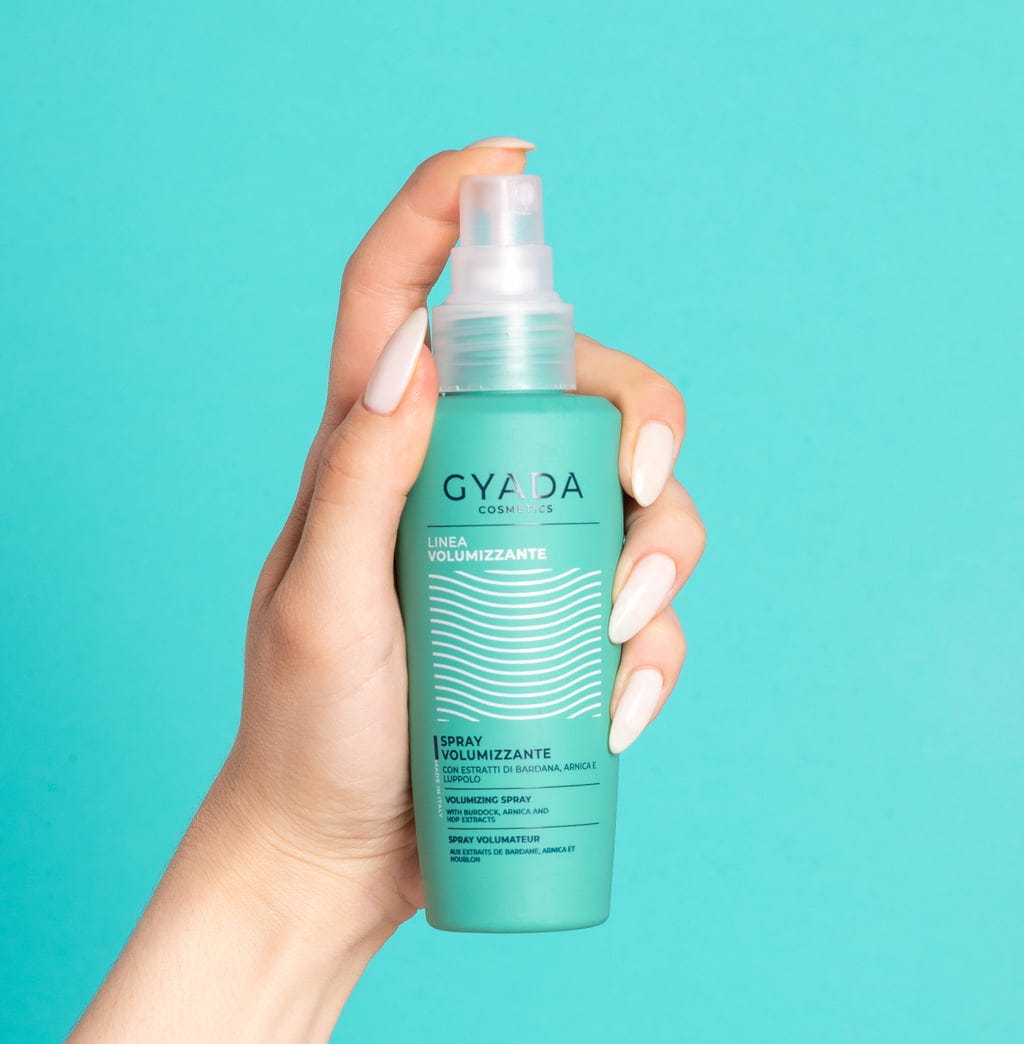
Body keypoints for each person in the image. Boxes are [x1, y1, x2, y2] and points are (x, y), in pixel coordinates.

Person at [69, 140, 706, 1042]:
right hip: (447, 788)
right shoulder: (429, 427)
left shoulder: (574, 426)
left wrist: (306, 865)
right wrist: (302, 846)